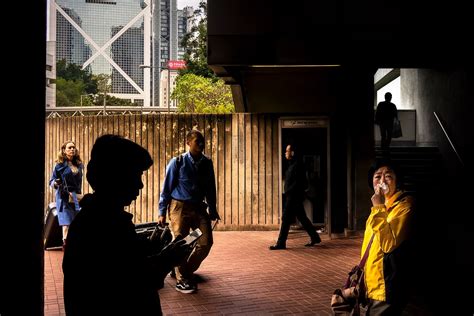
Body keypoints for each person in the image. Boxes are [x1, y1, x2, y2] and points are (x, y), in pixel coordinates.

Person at [63, 134, 189, 315]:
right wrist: (167, 259)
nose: (140, 185)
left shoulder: (94, 220)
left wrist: (145, 247)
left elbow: (119, 264)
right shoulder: (106, 226)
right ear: (115, 177)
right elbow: (129, 284)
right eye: (135, 175)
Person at [158, 129, 220, 294]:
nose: (201, 144)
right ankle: (182, 279)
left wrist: (213, 208)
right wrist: (161, 211)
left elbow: (210, 188)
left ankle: (183, 269)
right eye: (197, 141)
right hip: (180, 208)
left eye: (202, 141)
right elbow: (166, 188)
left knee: (204, 241)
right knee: (182, 242)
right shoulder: (177, 162)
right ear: (188, 143)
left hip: (199, 208)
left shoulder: (207, 163)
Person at [362, 158, 414, 315]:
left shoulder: (405, 206)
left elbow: (388, 244)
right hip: (374, 284)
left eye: (388, 176)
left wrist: (378, 207)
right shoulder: (382, 207)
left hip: (388, 286)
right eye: (377, 176)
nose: (382, 181)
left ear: (397, 181)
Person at [269, 144, 321, 250]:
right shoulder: (292, 164)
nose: (285, 153)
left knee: (285, 219)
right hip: (293, 197)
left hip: (293, 197)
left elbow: (298, 183)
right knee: (302, 218)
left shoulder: (297, 165)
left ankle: (281, 243)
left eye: (287, 151)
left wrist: (289, 192)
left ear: (292, 153)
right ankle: (315, 237)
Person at [49, 140, 83, 248]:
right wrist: (56, 183)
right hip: (64, 197)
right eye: (69, 148)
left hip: (75, 197)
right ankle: (66, 244)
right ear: (64, 150)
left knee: (75, 222)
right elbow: (51, 181)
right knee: (67, 222)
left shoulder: (79, 165)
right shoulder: (58, 166)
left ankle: (73, 244)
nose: (72, 149)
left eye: (73, 147)